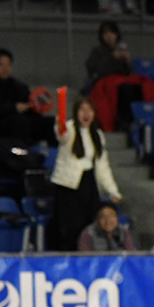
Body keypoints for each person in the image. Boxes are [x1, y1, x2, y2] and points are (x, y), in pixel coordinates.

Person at [50, 98, 123, 251]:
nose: (86, 113)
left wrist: (112, 190)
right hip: (68, 187)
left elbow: (103, 166)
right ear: (76, 113)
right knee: (68, 228)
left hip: (89, 185)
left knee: (89, 225)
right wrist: (60, 124)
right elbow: (61, 134)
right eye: (82, 109)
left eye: (89, 110)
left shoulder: (97, 134)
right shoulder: (69, 129)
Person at [0, 49, 55, 146]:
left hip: (23, 121)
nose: (5, 68)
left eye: (8, 65)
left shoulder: (18, 86)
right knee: (20, 122)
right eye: (1, 65)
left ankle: (55, 151)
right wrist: (14, 108)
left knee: (50, 122)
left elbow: (29, 101)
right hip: (0, 123)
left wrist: (33, 106)